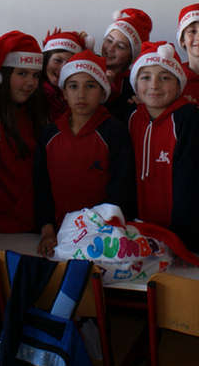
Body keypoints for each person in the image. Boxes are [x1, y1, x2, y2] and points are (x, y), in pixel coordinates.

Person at [34, 50, 136, 254]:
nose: (81, 94)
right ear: (64, 92)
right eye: (73, 86)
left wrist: (103, 232)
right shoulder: (49, 134)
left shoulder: (115, 132)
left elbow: (121, 189)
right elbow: (41, 186)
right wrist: (47, 230)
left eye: (90, 86)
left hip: (102, 239)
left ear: (103, 92)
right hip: (58, 237)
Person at [127, 41, 199, 252]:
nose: (154, 85)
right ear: (135, 83)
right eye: (145, 77)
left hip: (178, 235)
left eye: (165, 78)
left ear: (179, 85)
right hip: (134, 233)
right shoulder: (129, 118)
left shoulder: (190, 120)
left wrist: (186, 240)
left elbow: (197, 183)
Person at [0, 31, 49, 236]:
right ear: (3, 75)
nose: (30, 82)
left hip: (32, 227)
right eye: (22, 73)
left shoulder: (37, 112)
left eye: (35, 75)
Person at [101, 8, 152, 122]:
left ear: (132, 55)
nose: (110, 48)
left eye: (120, 46)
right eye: (109, 40)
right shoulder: (88, 68)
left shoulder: (135, 85)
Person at [40, 29, 90, 121]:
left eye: (69, 63)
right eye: (58, 60)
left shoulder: (82, 95)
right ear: (46, 60)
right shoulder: (32, 91)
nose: (63, 68)